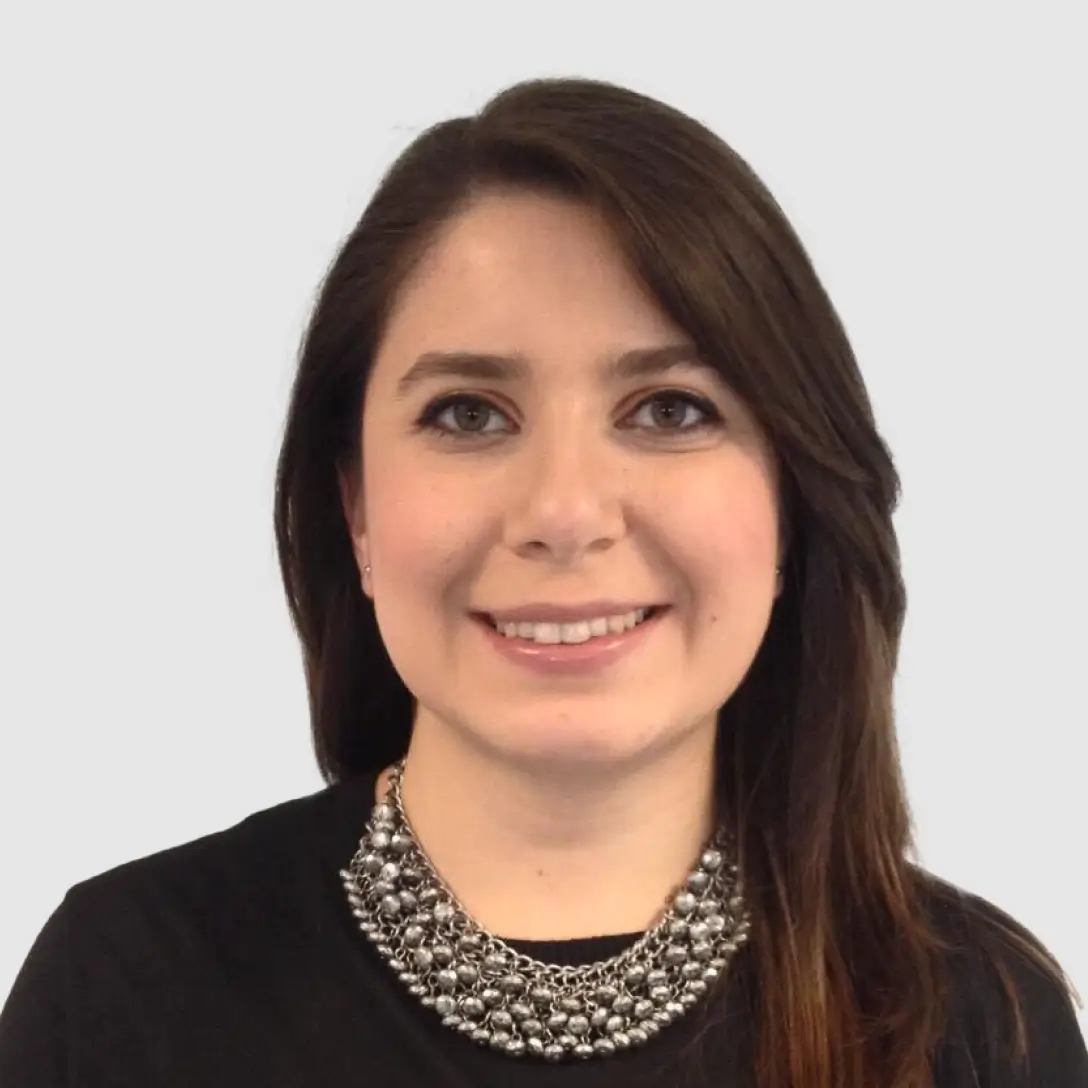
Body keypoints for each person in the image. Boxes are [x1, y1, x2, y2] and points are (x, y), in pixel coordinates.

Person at [1, 75, 1084, 1088]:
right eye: (468, 413)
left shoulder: (972, 1018)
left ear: (793, 494)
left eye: (669, 409)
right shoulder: (119, 988)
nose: (564, 512)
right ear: (357, 510)